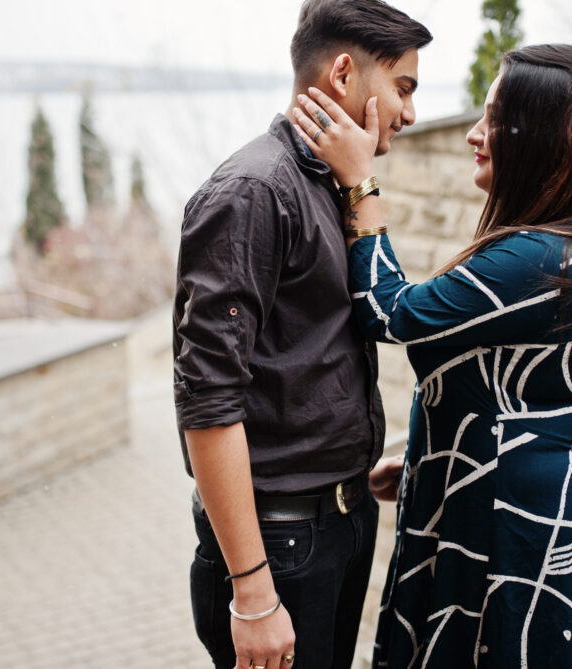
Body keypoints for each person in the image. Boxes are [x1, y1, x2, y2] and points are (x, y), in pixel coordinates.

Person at [291, 43, 572, 668]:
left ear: (548, 135)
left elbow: (391, 312)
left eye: (496, 118)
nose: (476, 133)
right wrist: (434, 459)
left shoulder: (539, 259)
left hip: (516, 523)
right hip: (497, 491)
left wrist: (358, 182)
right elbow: (515, 388)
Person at [172, 2, 432, 668]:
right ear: (345, 73)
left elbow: (310, 352)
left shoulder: (335, 184)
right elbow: (206, 400)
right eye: (403, 86)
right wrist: (253, 591)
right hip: (280, 548)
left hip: (340, 521)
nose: (409, 112)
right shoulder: (253, 191)